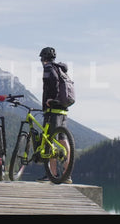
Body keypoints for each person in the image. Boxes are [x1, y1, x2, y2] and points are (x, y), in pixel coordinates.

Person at [37, 47, 72, 184]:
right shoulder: (61, 69)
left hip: (53, 109)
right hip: (63, 109)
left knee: (49, 141)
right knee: (63, 140)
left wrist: (51, 100)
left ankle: (51, 174)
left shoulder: (48, 68)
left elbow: (52, 84)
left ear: (43, 59)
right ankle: (67, 174)